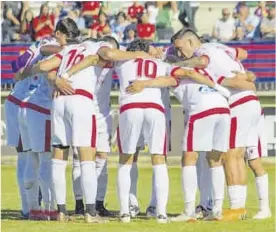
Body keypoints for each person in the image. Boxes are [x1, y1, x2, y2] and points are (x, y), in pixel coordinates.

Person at [170, 29, 261, 221]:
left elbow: (202, 62)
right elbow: (242, 53)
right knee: (229, 156)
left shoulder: (203, 53)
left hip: (237, 101)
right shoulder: (219, 47)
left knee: (229, 155)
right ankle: (225, 207)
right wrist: (246, 73)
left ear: (191, 42)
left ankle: (236, 208)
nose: (180, 53)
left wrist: (228, 81)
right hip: (246, 102)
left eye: (180, 48)